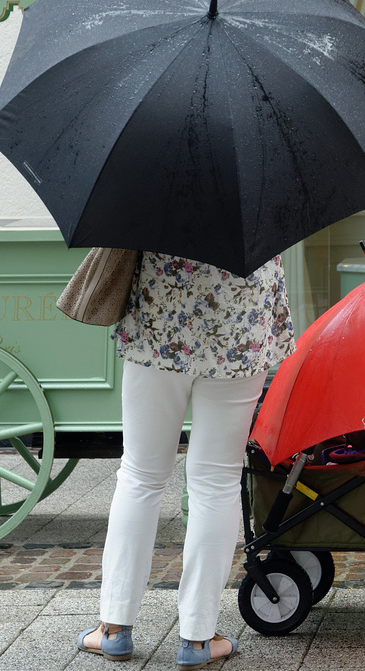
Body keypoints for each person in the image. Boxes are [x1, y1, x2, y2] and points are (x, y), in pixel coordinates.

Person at [76, 252, 295, 667]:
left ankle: (114, 629)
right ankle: (198, 638)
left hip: (161, 319)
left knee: (140, 475)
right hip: (239, 323)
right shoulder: (257, 191)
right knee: (216, 483)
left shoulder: (154, 184)